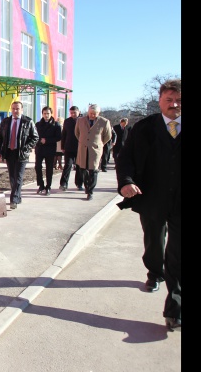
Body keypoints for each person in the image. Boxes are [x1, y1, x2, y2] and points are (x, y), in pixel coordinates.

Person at [115, 78, 180, 331]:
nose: (174, 105)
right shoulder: (144, 128)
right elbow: (125, 158)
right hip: (152, 196)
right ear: (160, 101)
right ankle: (155, 273)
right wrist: (126, 182)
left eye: (179, 100)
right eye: (169, 100)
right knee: (154, 240)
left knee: (178, 252)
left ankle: (175, 308)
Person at [0, 100, 39, 210]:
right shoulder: (5, 122)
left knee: (18, 176)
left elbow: (35, 137)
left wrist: (26, 147)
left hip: (21, 153)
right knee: (12, 176)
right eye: (13, 109)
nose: (15, 111)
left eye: (17, 109)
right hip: (9, 152)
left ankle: (13, 199)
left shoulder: (28, 121)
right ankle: (17, 196)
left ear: (22, 110)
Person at [74, 103, 112, 201]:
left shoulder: (104, 122)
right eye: (91, 113)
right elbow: (77, 133)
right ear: (88, 112)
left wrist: (99, 143)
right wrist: (83, 141)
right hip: (83, 148)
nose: (92, 115)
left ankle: (90, 191)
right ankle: (87, 186)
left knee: (93, 170)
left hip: (95, 149)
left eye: (95, 113)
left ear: (98, 113)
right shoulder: (80, 120)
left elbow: (108, 136)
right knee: (83, 169)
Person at [34, 106, 62, 195]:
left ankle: (48, 186)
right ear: (42, 114)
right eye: (44, 113)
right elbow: (34, 135)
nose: (46, 115)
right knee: (37, 167)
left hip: (50, 149)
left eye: (48, 113)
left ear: (51, 114)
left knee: (49, 168)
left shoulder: (56, 125)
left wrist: (47, 140)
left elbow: (58, 137)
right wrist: (40, 141)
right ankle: (41, 185)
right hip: (40, 148)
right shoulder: (38, 124)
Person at [59, 106, 84, 191]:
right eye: (71, 113)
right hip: (69, 147)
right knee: (68, 165)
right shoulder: (67, 121)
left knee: (79, 166)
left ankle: (79, 183)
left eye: (74, 113)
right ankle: (63, 183)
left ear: (78, 112)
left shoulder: (83, 121)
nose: (73, 114)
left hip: (80, 147)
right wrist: (62, 146)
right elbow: (64, 134)